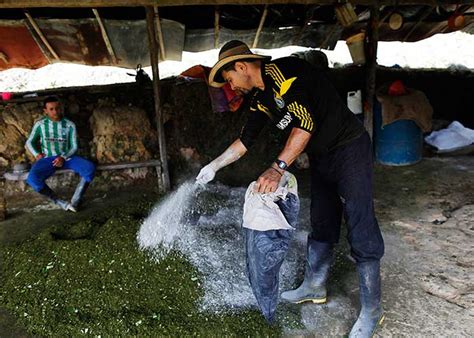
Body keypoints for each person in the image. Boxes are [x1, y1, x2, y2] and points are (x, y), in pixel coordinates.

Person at [196, 40, 384, 337]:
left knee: (360, 222)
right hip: (323, 154)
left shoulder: (283, 72)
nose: (231, 87)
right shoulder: (261, 97)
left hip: (349, 148)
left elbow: (305, 122)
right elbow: (246, 139)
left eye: (230, 78)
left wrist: (277, 167)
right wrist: (213, 166)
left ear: (242, 67)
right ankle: (315, 285)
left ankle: (373, 309)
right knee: (322, 219)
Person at [25, 96, 95, 212]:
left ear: (61, 108)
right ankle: (60, 202)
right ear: (45, 111)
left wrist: (63, 157)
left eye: (57, 108)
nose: (55, 111)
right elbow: (30, 142)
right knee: (33, 179)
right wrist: (36, 154)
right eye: (51, 109)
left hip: (67, 158)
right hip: (47, 159)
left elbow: (74, 146)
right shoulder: (40, 125)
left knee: (90, 168)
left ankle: (75, 201)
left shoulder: (69, 125)